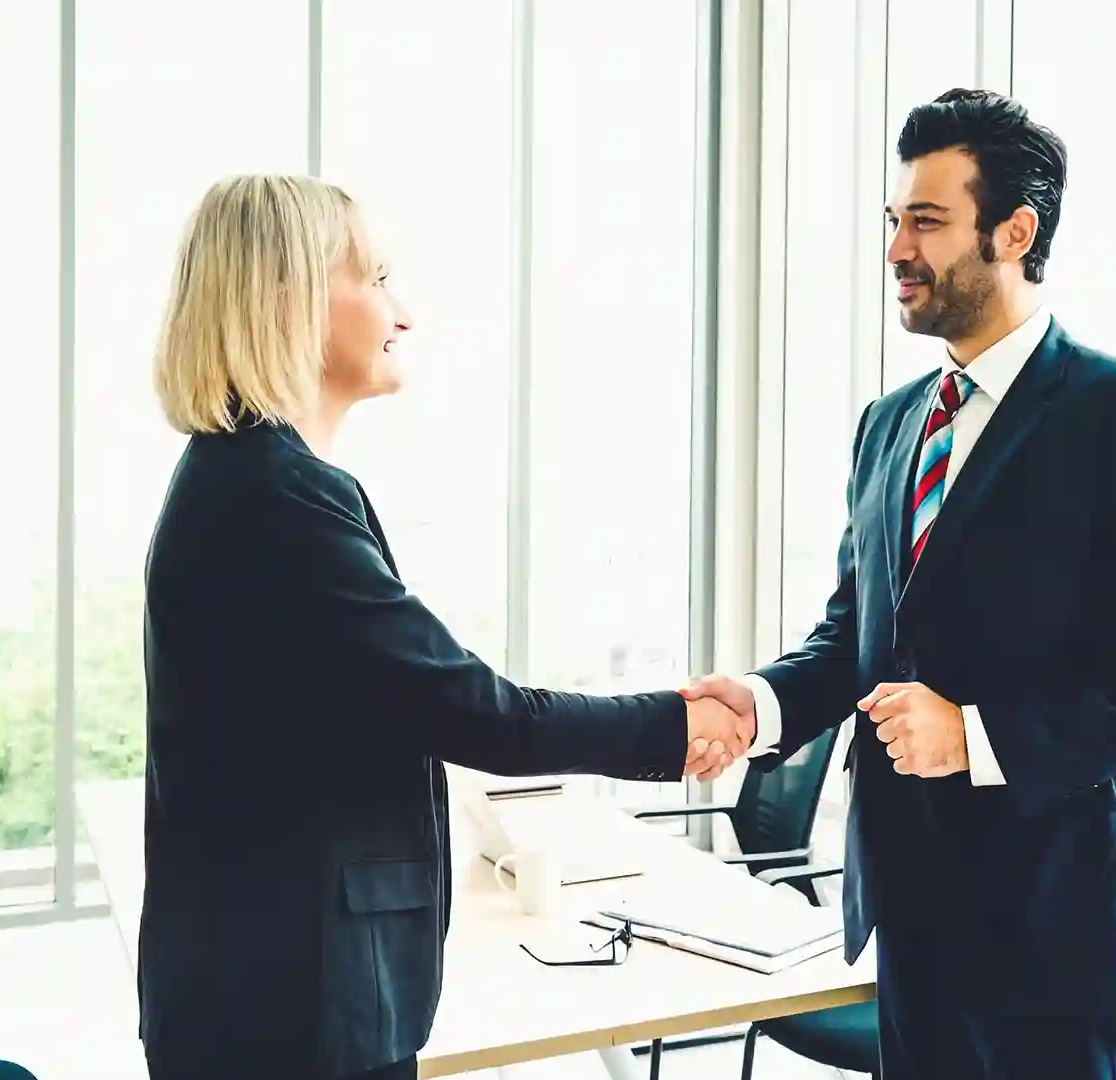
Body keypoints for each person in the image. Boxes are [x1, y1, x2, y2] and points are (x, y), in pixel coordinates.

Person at [683, 89, 1116, 1079]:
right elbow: (858, 635)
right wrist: (765, 700)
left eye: (928, 222)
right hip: (910, 937)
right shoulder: (889, 424)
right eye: (895, 220)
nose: (898, 248)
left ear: (1014, 233)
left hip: (1060, 958)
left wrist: (978, 734)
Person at [137, 174, 749, 1080]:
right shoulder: (276, 497)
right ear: (287, 295)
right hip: (291, 1008)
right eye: (378, 279)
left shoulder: (247, 481)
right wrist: (678, 721)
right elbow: (473, 710)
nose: (404, 312)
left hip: (264, 992)